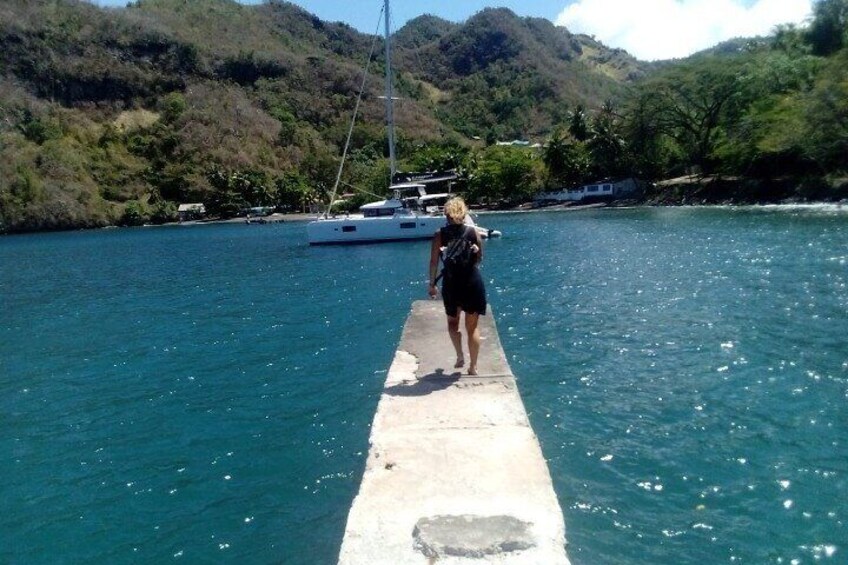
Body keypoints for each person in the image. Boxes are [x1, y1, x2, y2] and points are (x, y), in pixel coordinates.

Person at [427, 197, 487, 375]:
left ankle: (460, 356)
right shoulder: (473, 232)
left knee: (453, 324)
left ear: (446, 215)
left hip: (452, 283)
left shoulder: (440, 234)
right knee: (473, 328)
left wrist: (432, 284)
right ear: (464, 214)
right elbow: (479, 259)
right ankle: (473, 367)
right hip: (472, 283)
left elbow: (433, 262)